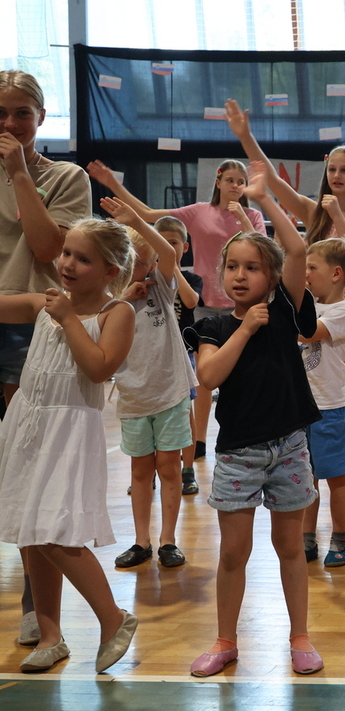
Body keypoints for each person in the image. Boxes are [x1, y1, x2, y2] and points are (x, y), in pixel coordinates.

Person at [185, 174, 323, 677]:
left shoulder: (285, 306)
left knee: (290, 549)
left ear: (273, 275)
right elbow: (208, 376)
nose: (240, 276)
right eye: (232, 267)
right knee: (233, 553)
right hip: (238, 452)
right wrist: (243, 329)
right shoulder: (214, 324)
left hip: (289, 446)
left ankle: (300, 636)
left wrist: (264, 198)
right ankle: (226, 640)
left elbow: (297, 248)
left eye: (253, 267)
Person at [224, 111, 345, 506]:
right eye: (332, 169)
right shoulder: (314, 211)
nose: (336, 175)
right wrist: (246, 136)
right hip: (316, 307)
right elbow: (273, 181)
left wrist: (337, 217)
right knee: (340, 391)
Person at [0, 218, 139, 673]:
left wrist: (66, 319)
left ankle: (113, 617)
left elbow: (99, 368)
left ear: (111, 270)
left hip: (69, 434)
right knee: (31, 532)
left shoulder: (117, 313)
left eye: (83, 259)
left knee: (55, 534)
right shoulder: (44, 303)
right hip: (27, 426)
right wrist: (57, 311)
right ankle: (50, 635)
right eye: (66, 254)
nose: (68, 264)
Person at [89, 158, 267, 464]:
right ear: (218, 182)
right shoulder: (199, 211)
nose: (236, 186)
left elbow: (264, 249)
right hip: (207, 306)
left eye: (241, 181)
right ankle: (199, 442)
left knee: (248, 373)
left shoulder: (252, 215)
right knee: (204, 377)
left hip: (244, 304)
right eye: (230, 180)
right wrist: (113, 183)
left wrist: (243, 217)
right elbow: (148, 215)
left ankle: (251, 433)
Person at [0, 70, 92, 647]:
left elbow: (47, 248)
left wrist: (18, 174)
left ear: (40, 117)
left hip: (30, 329)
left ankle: (38, 603)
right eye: (0, 113)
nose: (10, 124)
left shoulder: (66, 177)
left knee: (27, 468)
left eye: (21, 113)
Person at [102, 198, 198, 569]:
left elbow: (167, 253)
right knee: (140, 472)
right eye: (135, 261)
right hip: (134, 397)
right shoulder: (112, 295)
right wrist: (124, 298)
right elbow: (97, 327)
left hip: (170, 392)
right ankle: (141, 541)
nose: (142, 267)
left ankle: (168, 540)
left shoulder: (162, 284)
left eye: (145, 260)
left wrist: (140, 222)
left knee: (169, 469)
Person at [297, 236, 345, 567]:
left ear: (336, 274)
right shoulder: (308, 304)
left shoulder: (343, 310)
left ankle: (340, 539)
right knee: (306, 477)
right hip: (300, 408)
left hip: (329, 408)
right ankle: (307, 537)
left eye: (311, 267)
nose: (305, 274)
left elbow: (306, 333)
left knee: (335, 478)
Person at [153, 216, 204, 495]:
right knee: (149, 411)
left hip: (182, 354)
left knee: (185, 411)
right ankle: (147, 469)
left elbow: (191, 300)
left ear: (185, 247)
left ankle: (188, 470)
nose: (166, 247)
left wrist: (172, 265)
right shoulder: (148, 276)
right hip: (151, 353)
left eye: (172, 243)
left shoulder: (192, 278)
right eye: (160, 242)